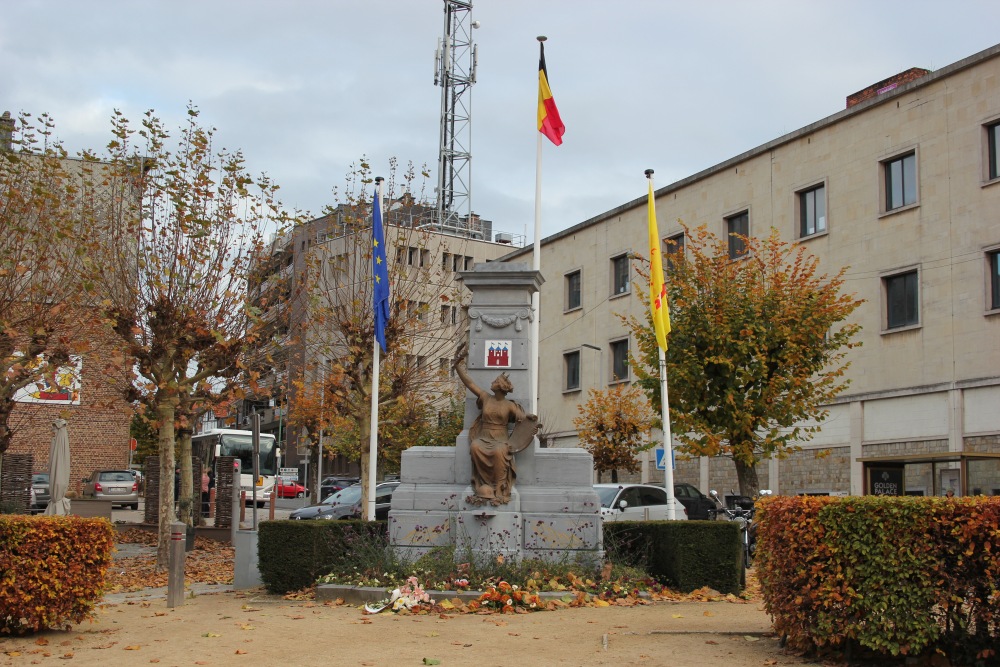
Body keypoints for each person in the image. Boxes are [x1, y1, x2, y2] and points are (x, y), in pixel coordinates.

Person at [453, 345, 538, 506]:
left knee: (500, 452)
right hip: (484, 435)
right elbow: (470, 384)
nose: (491, 383)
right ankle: (483, 486)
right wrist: (458, 367)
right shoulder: (485, 397)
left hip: (500, 438)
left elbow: (522, 418)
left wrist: (530, 417)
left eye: (494, 381)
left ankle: (499, 488)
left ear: (500, 387)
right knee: (475, 447)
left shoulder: (509, 405)